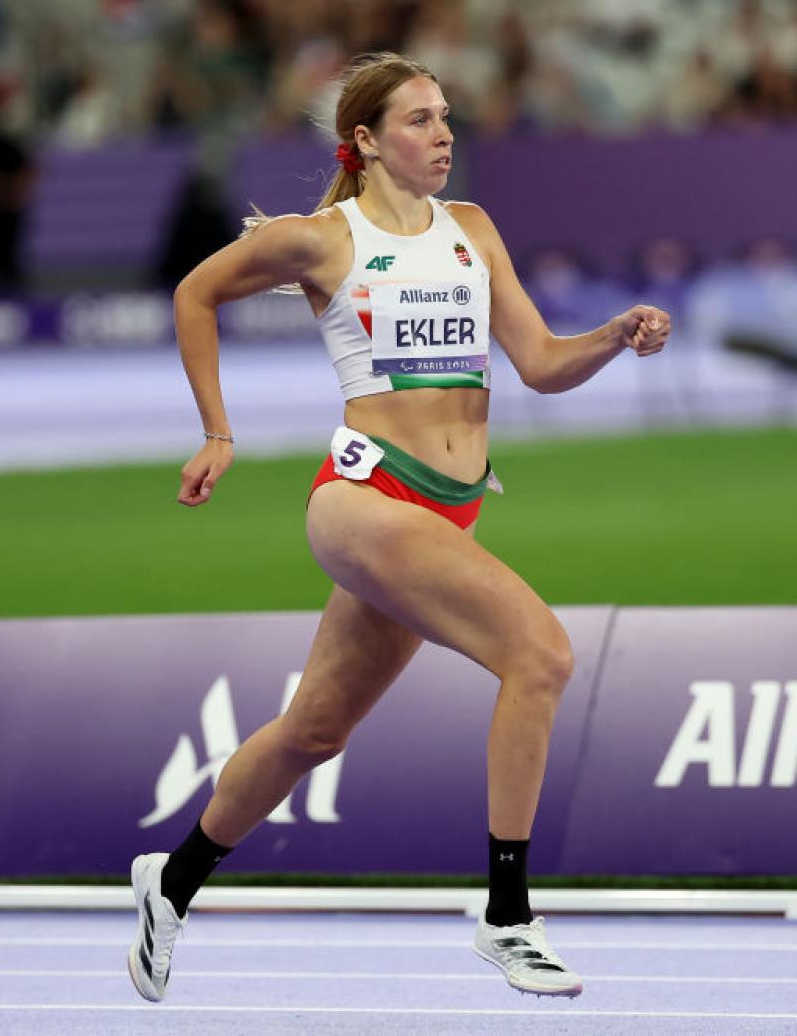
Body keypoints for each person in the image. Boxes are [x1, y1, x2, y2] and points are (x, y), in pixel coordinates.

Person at [127, 51, 671, 1003]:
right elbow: (194, 293)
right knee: (539, 654)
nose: (444, 134)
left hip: (448, 509)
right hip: (367, 498)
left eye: (448, 117)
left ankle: (168, 885)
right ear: (368, 141)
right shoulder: (321, 239)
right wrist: (217, 430)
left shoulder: (472, 229)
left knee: (315, 730)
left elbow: (539, 364)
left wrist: (612, 336)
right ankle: (508, 915)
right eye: (420, 120)